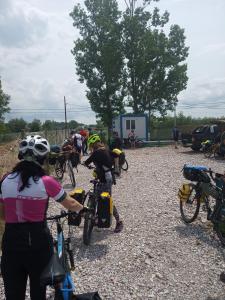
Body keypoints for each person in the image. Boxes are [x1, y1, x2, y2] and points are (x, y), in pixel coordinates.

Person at [0, 135, 85, 300]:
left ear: (20, 157)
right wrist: (83, 209)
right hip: (38, 243)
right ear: (43, 158)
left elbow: (2, 215)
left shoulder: (5, 180)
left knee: (13, 293)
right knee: (38, 293)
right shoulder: (46, 181)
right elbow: (71, 204)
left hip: (11, 242)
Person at [84, 134, 123, 233]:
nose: (91, 148)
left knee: (106, 199)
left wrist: (86, 165)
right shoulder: (106, 149)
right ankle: (97, 218)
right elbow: (112, 157)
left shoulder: (96, 153)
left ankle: (119, 222)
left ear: (93, 145)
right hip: (106, 177)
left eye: (91, 146)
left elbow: (86, 162)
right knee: (99, 196)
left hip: (105, 178)